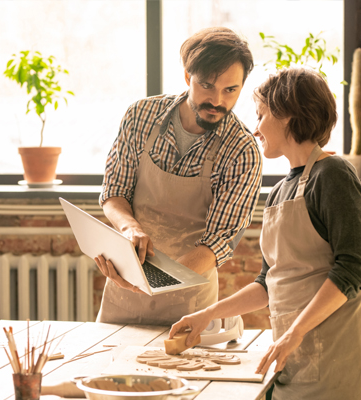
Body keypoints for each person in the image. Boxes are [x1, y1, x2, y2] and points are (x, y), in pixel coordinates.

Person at [169, 67, 361, 399]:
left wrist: (295, 333)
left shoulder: (333, 175)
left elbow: (353, 266)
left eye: (260, 115)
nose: (256, 129)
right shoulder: (279, 191)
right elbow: (267, 283)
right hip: (290, 357)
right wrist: (206, 315)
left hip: (334, 359)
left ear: (286, 114)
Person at [94, 27, 262, 325]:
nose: (218, 101)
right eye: (207, 86)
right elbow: (114, 192)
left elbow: (216, 243)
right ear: (188, 77)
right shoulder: (140, 116)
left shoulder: (241, 151)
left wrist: (151, 281)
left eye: (230, 90)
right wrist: (129, 229)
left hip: (190, 304)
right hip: (124, 292)